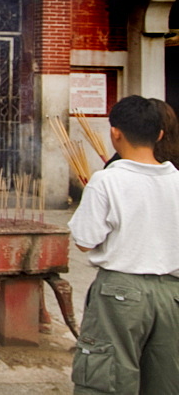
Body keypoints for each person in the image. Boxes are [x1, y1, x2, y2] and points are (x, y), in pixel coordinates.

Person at [67, 95, 179, 394]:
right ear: (159, 134)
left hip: (120, 293)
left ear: (114, 132)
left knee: (107, 381)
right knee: (165, 382)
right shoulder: (177, 181)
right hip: (171, 295)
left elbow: (84, 241)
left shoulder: (106, 181)